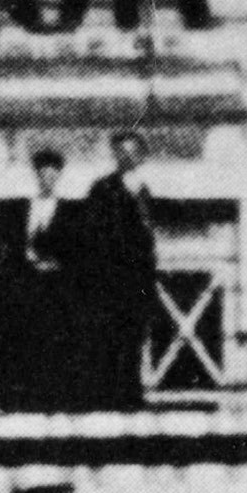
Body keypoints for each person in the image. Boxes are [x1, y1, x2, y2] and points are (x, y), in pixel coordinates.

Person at [68, 132, 162, 411]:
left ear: (142, 156)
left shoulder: (145, 190)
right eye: (121, 152)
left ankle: (131, 395)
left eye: (132, 152)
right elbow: (93, 234)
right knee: (109, 337)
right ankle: (108, 395)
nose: (126, 158)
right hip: (111, 278)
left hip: (140, 279)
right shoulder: (102, 189)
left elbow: (149, 234)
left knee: (135, 337)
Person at [0, 147, 84, 412]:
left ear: (59, 177)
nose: (47, 180)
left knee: (56, 340)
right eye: (43, 175)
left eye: (52, 175)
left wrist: (58, 264)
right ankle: (25, 396)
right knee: (26, 339)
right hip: (27, 284)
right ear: (36, 176)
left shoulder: (70, 211)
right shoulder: (21, 208)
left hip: (56, 286)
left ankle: (55, 396)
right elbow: (9, 245)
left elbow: (77, 250)